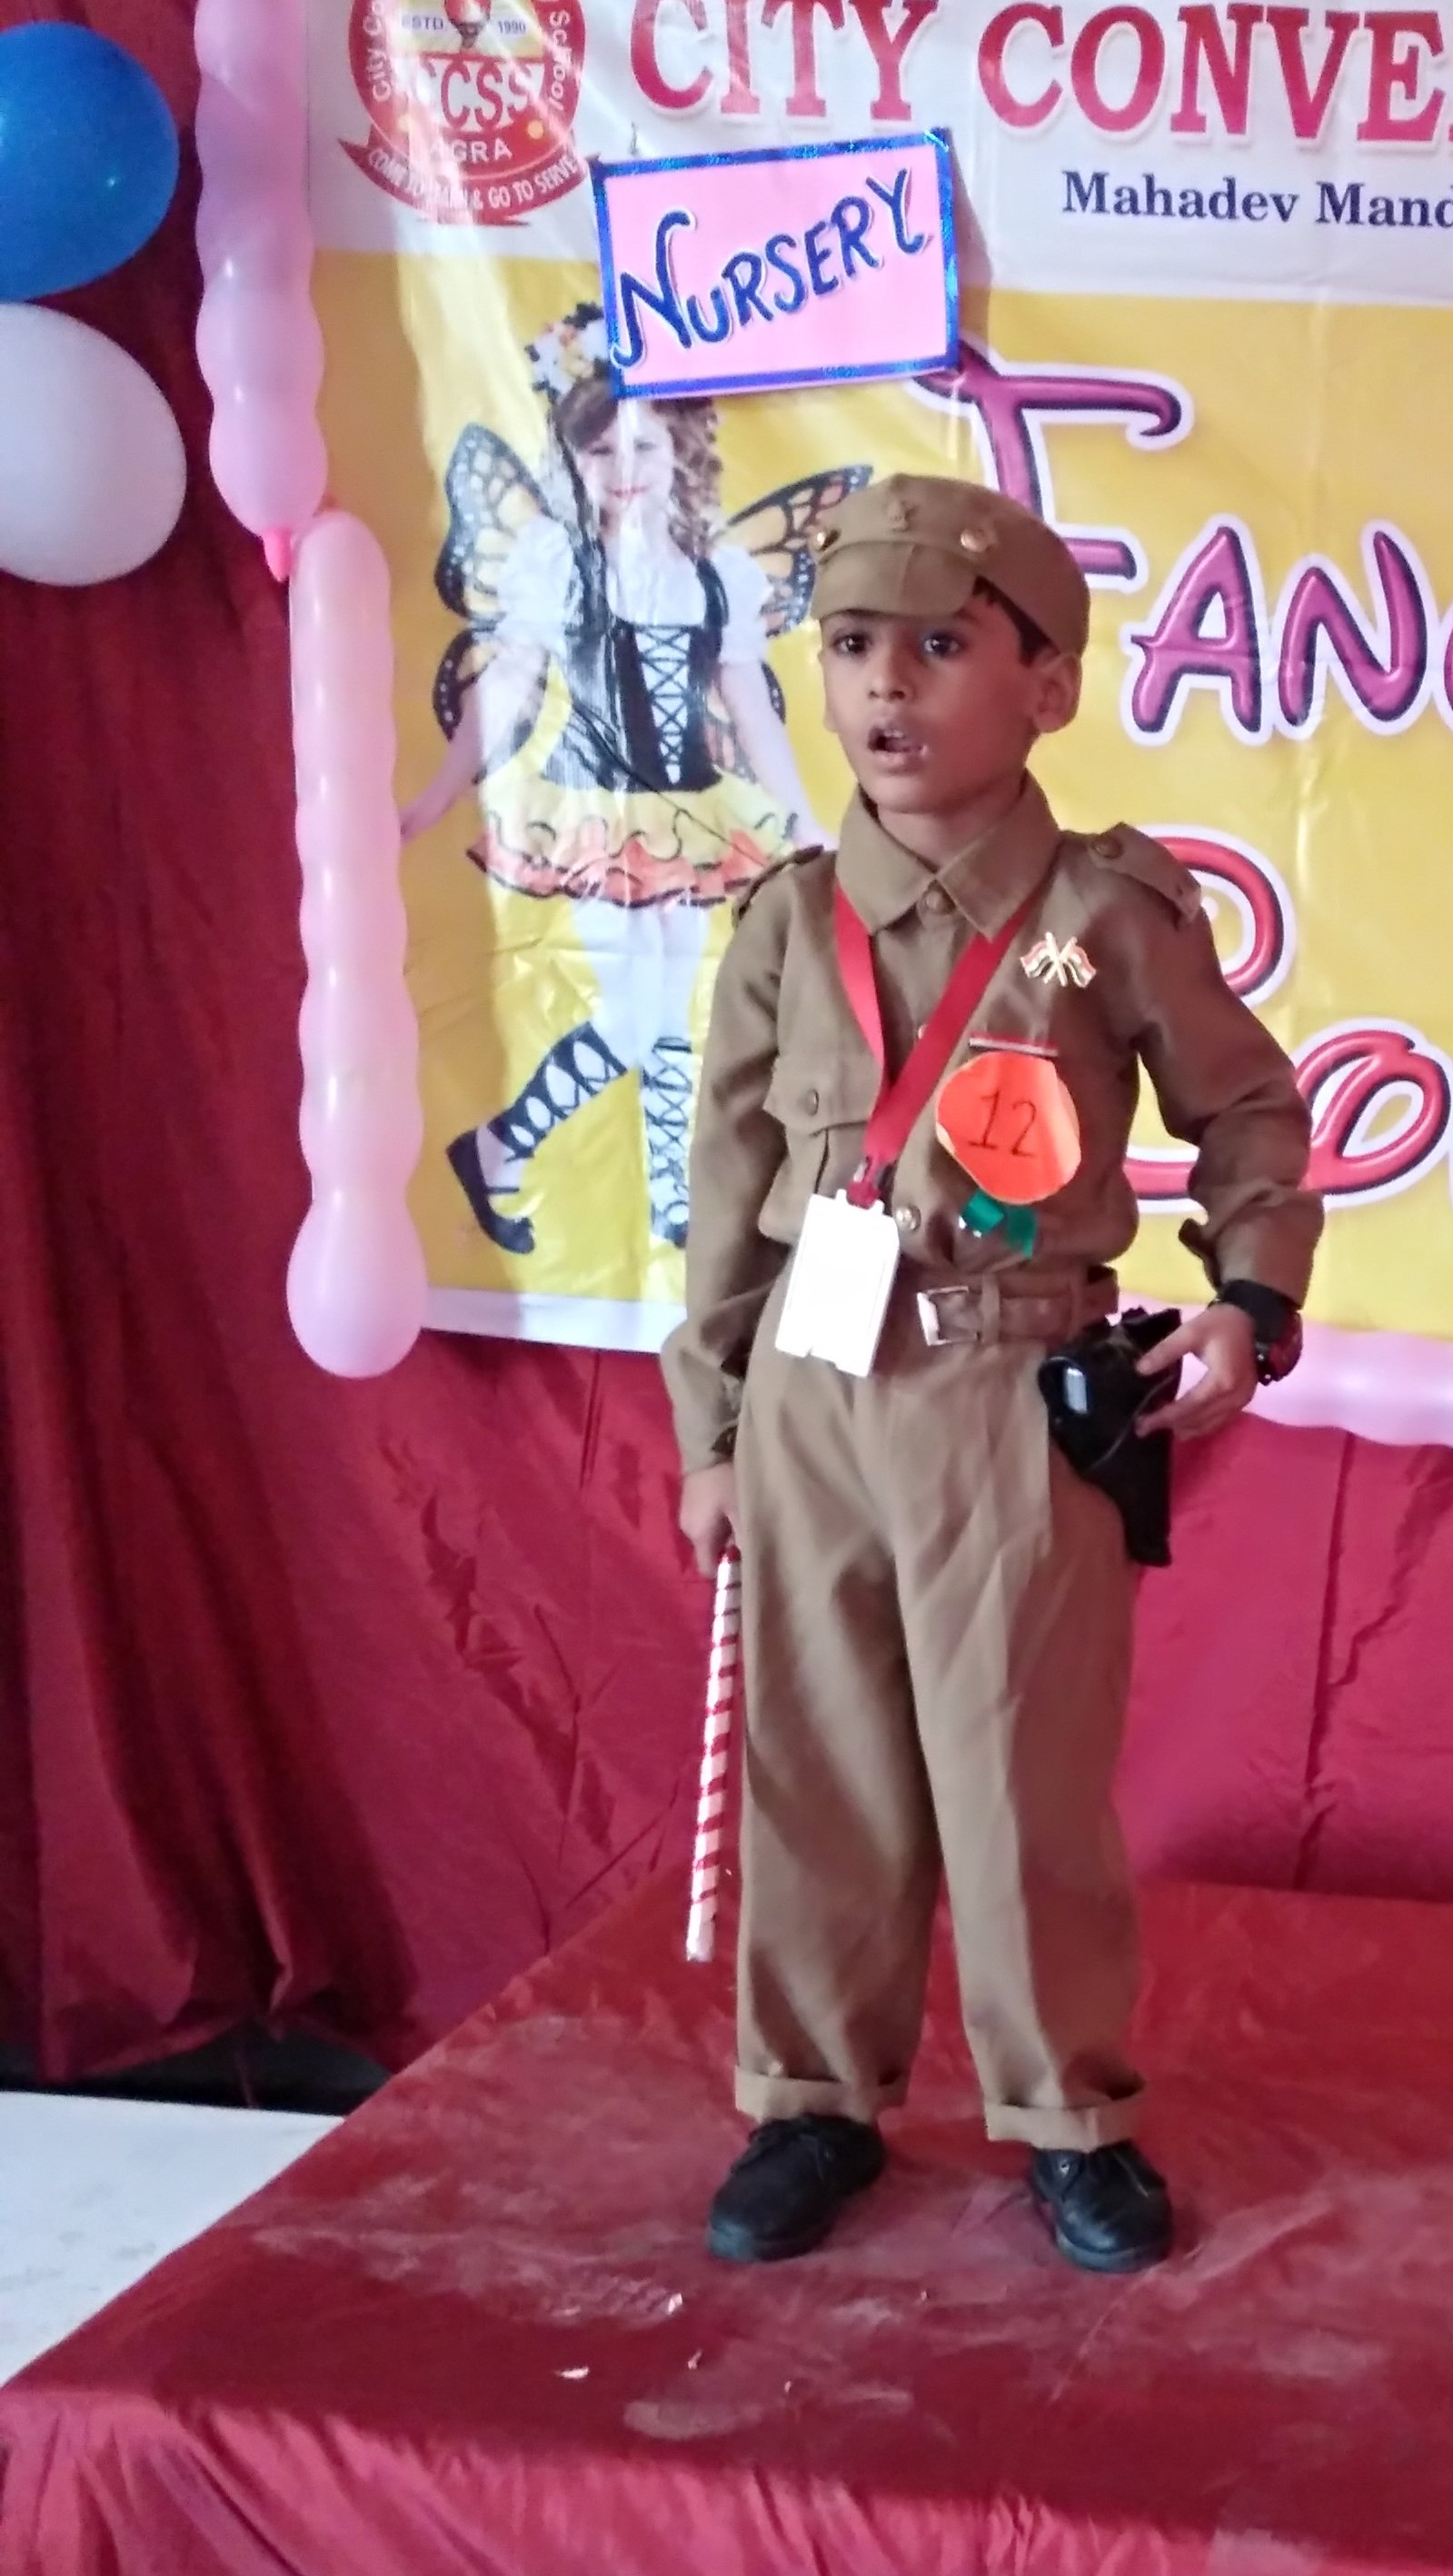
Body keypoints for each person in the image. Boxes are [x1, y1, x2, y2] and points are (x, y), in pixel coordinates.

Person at [663, 472, 1319, 2277]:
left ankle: (1066, 2116)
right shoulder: (789, 921)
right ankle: (812, 2099)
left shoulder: (1096, 914)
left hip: (1007, 1390)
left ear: (1047, 687)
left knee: (1021, 1783)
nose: (886, 685)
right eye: (850, 644)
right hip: (812, 1392)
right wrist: (714, 1434)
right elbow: (728, 1193)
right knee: (818, 1765)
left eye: (942, 645)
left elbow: (1249, 1110)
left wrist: (1246, 1304)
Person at [400, 304, 844, 1256]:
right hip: (594, 809)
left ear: (681, 450)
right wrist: (438, 792)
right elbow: (509, 681)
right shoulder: (559, 563)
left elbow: (751, 709)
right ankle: (500, 1146)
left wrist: (806, 820)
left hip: (692, 809)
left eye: (645, 444)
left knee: (674, 1004)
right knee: (637, 1015)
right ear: (574, 459)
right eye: (601, 450)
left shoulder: (717, 575)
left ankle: (669, 1202)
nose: (626, 466)